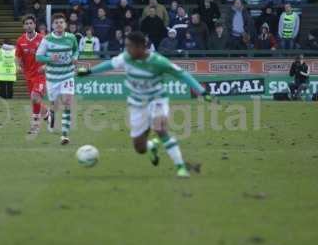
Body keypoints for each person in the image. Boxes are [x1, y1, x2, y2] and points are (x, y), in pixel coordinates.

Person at [77, 31, 213, 178]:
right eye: (126, 46)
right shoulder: (126, 57)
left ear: (141, 47)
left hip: (157, 101)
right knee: (139, 148)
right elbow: (109, 64)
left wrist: (202, 92)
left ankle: (181, 168)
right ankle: (152, 145)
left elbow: (182, 74)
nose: (126, 49)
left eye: (129, 46)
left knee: (160, 129)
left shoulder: (158, 62)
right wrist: (89, 71)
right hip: (137, 105)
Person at [36, 13, 79, 145]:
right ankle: (51, 113)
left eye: (61, 22)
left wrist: (75, 57)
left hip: (67, 75)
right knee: (54, 104)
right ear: (53, 25)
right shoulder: (47, 39)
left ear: (65, 25)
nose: (59, 24)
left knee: (67, 102)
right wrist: (49, 59)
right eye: (56, 23)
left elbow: (76, 50)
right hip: (52, 77)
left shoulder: (71, 38)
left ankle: (64, 135)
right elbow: (38, 57)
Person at [15, 14, 48, 135]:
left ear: (35, 25)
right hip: (28, 75)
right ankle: (47, 114)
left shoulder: (43, 39)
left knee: (34, 97)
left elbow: (49, 54)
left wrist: (46, 65)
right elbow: (17, 56)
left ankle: (35, 125)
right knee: (35, 100)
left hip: (40, 73)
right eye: (26, 24)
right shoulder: (20, 41)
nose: (29, 26)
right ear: (24, 26)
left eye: (31, 23)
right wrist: (18, 65)